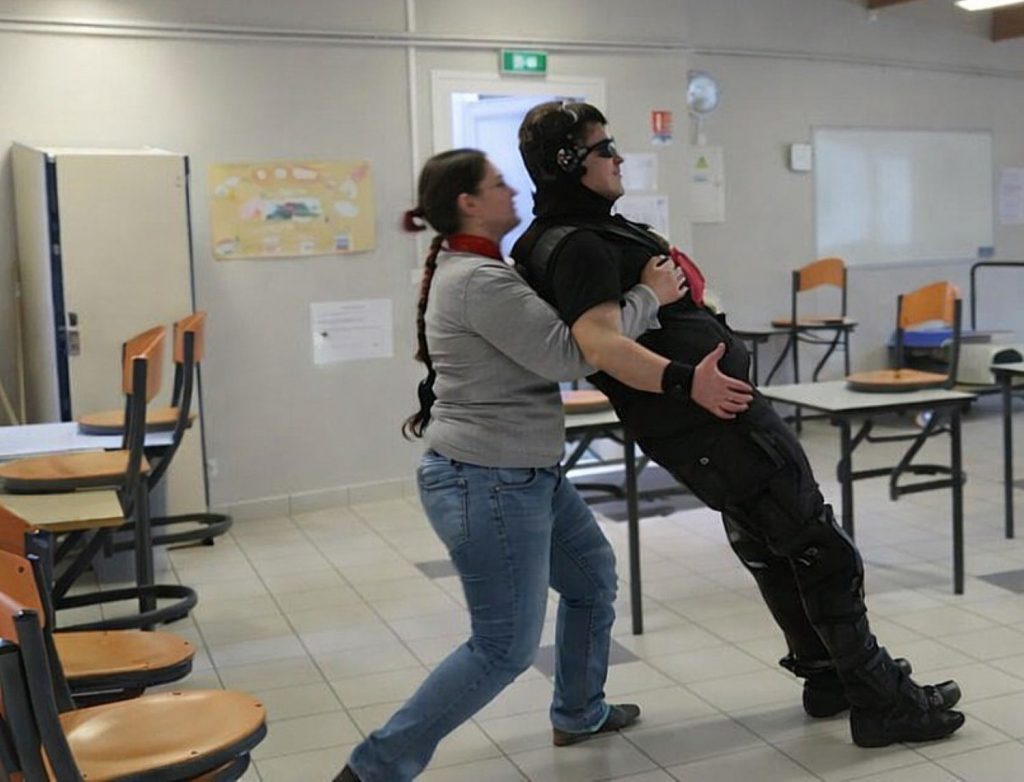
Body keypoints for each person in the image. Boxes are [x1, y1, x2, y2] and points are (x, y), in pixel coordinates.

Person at [510, 101, 965, 749]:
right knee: (820, 547)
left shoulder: (573, 234)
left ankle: (831, 677)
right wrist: (685, 379)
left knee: (775, 545)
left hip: (709, 418)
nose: (618, 157)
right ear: (569, 163)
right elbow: (600, 344)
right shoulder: (577, 243)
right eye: (604, 148)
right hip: (710, 420)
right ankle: (880, 699)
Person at [334, 148, 689, 782]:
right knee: (503, 647)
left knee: (590, 580)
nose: (513, 190)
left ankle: (579, 712)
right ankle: (372, 769)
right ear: (469, 202)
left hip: (523, 474)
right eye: (498, 184)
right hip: (489, 481)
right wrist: (647, 295)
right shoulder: (479, 281)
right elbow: (568, 357)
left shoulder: (480, 269)